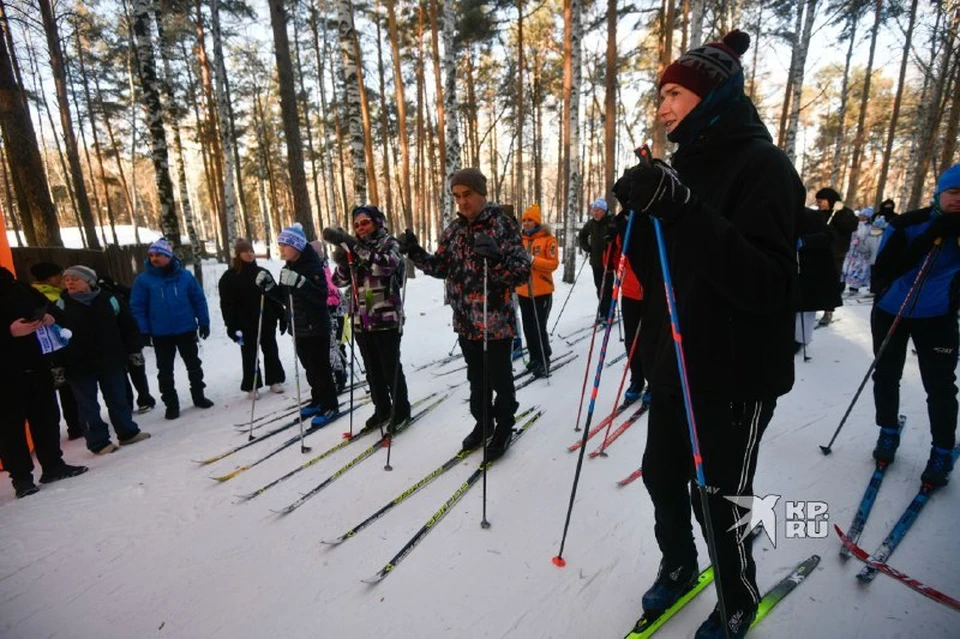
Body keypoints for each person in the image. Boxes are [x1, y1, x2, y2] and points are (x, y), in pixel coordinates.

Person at [612, 30, 801, 638]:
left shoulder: (765, 168)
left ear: (713, 95)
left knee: (719, 495)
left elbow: (766, 284)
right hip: (678, 360)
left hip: (736, 371)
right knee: (662, 476)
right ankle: (679, 563)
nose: (662, 107)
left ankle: (737, 598)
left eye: (674, 93)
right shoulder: (681, 165)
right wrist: (630, 222)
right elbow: (661, 266)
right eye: (660, 94)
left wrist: (681, 207)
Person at [398, 168, 531, 460]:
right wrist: (415, 252)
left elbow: (522, 272)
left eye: (467, 194)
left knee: (500, 380)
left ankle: (504, 426)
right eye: (457, 196)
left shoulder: (502, 225)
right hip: (466, 323)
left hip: (495, 323)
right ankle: (483, 423)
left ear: (481, 193)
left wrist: (495, 260)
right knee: (477, 380)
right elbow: (440, 267)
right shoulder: (454, 231)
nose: (462, 201)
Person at [869, 163, 960, 487]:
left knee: (940, 385)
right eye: (953, 192)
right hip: (893, 309)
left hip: (938, 316)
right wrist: (933, 234)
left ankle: (942, 450)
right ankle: (888, 431)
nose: (958, 200)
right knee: (886, 373)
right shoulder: (909, 223)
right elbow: (886, 267)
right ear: (939, 193)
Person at [0, 266, 87, 498]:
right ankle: (21, 479)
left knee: (47, 417)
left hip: (36, 363)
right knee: (10, 429)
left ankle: (53, 466)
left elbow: (46, 305)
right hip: (5, 375)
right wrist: (8, 332)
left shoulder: (17, 285)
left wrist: (49, 316)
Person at [326, 205, 412, 431]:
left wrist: (356, 248)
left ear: (377, 222)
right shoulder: (354, 249)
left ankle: (401, 410)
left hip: (385, 317)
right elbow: (338, 281)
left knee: (389, 367)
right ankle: (381, 408)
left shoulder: (389, 243)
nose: (360, 228)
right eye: (356, 225)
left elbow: (385, 266)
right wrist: (345, 260)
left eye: (365, 222)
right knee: (372, 369)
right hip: (360, 319)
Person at [57, 266, 151, 455]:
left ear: (89, 281)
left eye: (75, 279)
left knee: (118, 399)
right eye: (67, 279)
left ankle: (127, 432)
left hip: (111, 359)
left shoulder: (110, 300)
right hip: (78, 365)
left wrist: (134, 350)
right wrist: (57, 364)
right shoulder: (60, 305)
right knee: (88, 405)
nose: (70, 282)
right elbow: (55, 337)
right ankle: (98, 442)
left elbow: (128, 326)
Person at [130, 238, 214, 420]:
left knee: (193, 365)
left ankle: (199, 396)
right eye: (151, 255)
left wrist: (204, 322)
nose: (154, 258)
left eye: (159, 255)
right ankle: (171, 404)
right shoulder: (143, 281)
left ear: (168, 256)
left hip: (186, 329)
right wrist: (143, 331)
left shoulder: (185, 277)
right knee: (165, 371)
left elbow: (198, 299)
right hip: (161, 333)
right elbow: (137, 307)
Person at [276, 223, 340, 426]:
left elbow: (321, 296)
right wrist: (269, 287)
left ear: (296, 245)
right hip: (299, 327)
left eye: (285, 245)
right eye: (280, 245)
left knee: (321, 369)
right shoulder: (288, 268)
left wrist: (300, 283)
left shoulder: (313, 265)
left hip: (316, 326)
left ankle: (330, 405)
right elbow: (284, 298)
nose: (282, 249)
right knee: (309, 368)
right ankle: (318, 399)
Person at [218, 238, 287, 399]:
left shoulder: (262, 273)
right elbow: (226, 304)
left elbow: (274, 296)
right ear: (238, 254)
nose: (249, 254)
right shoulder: (229, 277)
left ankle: (274, 380)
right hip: (244, 323)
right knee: (249, 354)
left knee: (271, 350)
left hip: (266, 319)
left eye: (251, 251)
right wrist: (231, 326)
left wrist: (282, 316)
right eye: (245, 251)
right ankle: (252, 385)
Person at [29, 261, 82, 440]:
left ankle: (72, 426)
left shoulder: (33, 293)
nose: (61, 279)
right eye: (59, 275)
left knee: (61, 389)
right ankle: (74, 426)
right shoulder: (48, 296)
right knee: (66, 388)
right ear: (50, 277)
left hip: (49, 351)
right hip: (55, 349)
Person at [516, 203, 558, 378]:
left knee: (539, 327)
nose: (526, 223)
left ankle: (544, 359)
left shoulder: (548, 239)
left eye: (530, 220)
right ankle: (534, 358)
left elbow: (553, 265)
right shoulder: (519, 239)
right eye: (524, 220)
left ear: (537, 222)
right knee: (528, 327)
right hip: (523, 291)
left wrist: (533, 261)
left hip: (542, 291)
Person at [796, 207, 841, 354]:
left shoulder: (811, 215)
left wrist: (804, 241)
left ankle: (801, 340)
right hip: (796, 268)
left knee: (806, 310)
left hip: (813, 272)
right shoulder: (783, 211)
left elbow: (828, 237)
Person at [814, 187, 858, 326]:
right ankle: (812, 308)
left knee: (830, 284)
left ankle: (828, 312)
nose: (818, 204)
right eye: (817, 201)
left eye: (820, 201)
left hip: (835, 255)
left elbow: (851, 226)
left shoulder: (844, 213)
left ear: (830, 200)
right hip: (817, 253)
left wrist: (838, 214)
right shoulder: (818, 214)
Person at [577, 198, 617, 321]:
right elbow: (582, 235)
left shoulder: (612, 222)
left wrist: (612, 242)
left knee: (607, 289)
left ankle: (609, 313)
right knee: (599, 287)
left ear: (604, 211)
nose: (595, 213)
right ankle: (603, 312)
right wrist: (586, 247)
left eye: (598, 210)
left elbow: (619, 238)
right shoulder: (591, 223)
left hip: (608, 261)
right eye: (593, 210)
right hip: (596, 261)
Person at [842, 208, 874, 294]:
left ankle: (854, 287)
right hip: (851, 249)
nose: (861, 217)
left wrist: (861, 242)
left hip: (861, 251)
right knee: (846, 267)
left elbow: (869, 238)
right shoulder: (855, 224)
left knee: (858, 268)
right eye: (861, 215)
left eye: (863, 216)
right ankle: (842, 284)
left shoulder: (869, 227)